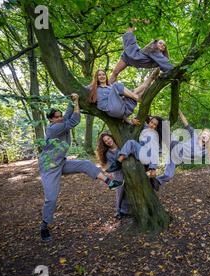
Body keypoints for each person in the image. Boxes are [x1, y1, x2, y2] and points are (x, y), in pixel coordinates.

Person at [38, 94, 123, 242]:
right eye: (57, 117)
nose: (60, 118)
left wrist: (72, 101)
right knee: (51, 198)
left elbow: (68, 115)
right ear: (51, 120)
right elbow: (74, 120)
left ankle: (110, 183)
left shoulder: (60, 122)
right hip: (49, 167)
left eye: (60, 116)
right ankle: (44, 226)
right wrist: (77, 101)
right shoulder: (53, 129)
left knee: (85, 164)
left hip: (61, 162)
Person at [153, 110, 210, 189]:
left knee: (169, 175)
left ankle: (155, 181)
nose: (205, 136)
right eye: (204, 134)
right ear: (201, 134)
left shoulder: (205, 152)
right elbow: (186, 123)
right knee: (163, 127)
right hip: (173, 145)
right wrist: (178, 111)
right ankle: (150, 121)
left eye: (208, 136)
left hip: (174, 158)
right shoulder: (194, 135)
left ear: (209, 140)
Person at [88, 68, 159, 123]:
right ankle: (136, 97)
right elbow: (81, 89)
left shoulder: (110, 87)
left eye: (103, 74)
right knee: (117, 85)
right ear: (96, 77)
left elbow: (119, 100)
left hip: (122, 110)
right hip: (111, 108)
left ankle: (151, 79)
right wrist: (76, 95)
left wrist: (129, 121)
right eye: (99, 75)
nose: (102, 76)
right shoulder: (93, 88)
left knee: (137, 91)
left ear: (106, 76)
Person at [109, 26, 173, 84]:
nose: (162, 45)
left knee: (115, 73)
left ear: (165, 49)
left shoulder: (159, 58)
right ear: (155, 44)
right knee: (115, 73)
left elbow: (164, 65)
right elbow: (167, 65)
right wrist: (174, 70)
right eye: (160, 43)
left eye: (164, 45)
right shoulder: (153, 49)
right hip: (130, 54)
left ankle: (109, 89)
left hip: (131, 58)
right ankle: (106, 89)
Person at [96, 132, 130, 220]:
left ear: (112, 137)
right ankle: (119, 210)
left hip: (129, 169)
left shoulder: (121, 145)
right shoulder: (108, 153)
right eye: (105, 141)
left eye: (108, 138)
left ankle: (126, 209)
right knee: (120, 190)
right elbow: (112, 166)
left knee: (128, 190)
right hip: (118, 172)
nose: (108, 141)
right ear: (104, 144)